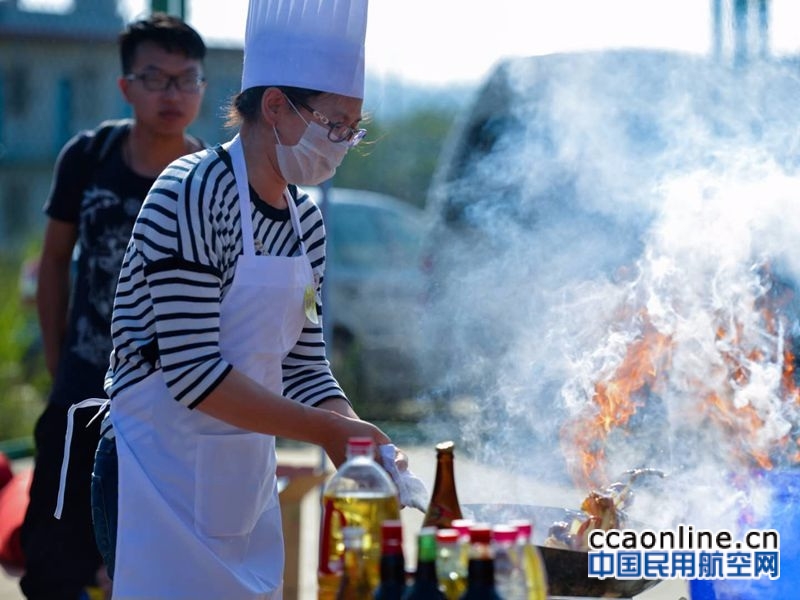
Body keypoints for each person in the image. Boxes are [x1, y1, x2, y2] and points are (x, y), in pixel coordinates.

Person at [91, 0, 412, 597]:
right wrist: (326, 433)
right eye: (334, 124)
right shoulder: (193, 190)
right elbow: (192, 373)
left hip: (239, 483)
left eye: (353, 130)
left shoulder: (304, 223)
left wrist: (356, 434)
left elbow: (303, 364)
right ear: (275, 107)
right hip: (153, 473)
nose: (342, 143)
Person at [20, 13, 207, 600]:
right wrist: (60, 366)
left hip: (170, 399)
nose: (172, 93)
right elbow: (54, 262)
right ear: (127, 87)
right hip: (82, 389)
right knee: (54, 556)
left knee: (153, 560)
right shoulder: (90, 156)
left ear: (202, 89)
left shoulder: (209, 175)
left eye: (186, 79)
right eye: (155, 78)